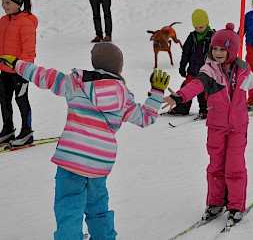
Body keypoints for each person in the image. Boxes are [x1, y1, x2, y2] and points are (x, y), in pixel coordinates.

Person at [0, 43, 170, 239]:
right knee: (98, 207)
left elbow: (44, 76)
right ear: (119, 69)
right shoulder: (122, 96)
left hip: (71, 159)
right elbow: (145, 118)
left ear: (94, 63)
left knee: (69, 208)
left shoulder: (75, 83)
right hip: (99, 164)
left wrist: (18, 64)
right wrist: (157, 91)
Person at [163, 23, 253, 226]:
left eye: (223, 49)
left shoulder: (243, 72)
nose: (218, 52)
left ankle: (236, 205)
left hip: (238, 127)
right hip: (216, 127)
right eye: (215, 48)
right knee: (215, 167)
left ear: (232, 50)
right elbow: (196, 84)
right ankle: (215, 203)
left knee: (235, 167)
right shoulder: (209, 70)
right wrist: (179, 97)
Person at [0, 0, 37, 147]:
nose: (4, 6)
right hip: (4, 70)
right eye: (2, 2)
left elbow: (29, 50)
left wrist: (25, 71)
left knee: (21, 99)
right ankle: (8, 129)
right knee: (4, 99)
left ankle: (27, 131)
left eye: (8, 2)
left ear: (18, 3)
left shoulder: (25, 22)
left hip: (20, 71)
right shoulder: (3, 21)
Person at [168, 9, 215, 118]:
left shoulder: (212, 36)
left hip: (206, 72)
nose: (198, 29)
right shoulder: (192, 37)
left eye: (201, 27)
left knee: (203, 93)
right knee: (186, 88)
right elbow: (186, 53)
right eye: (196, 27)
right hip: (193, 71)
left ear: (207, 23)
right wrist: (182, 66)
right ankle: (181, 109)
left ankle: (205, 111)